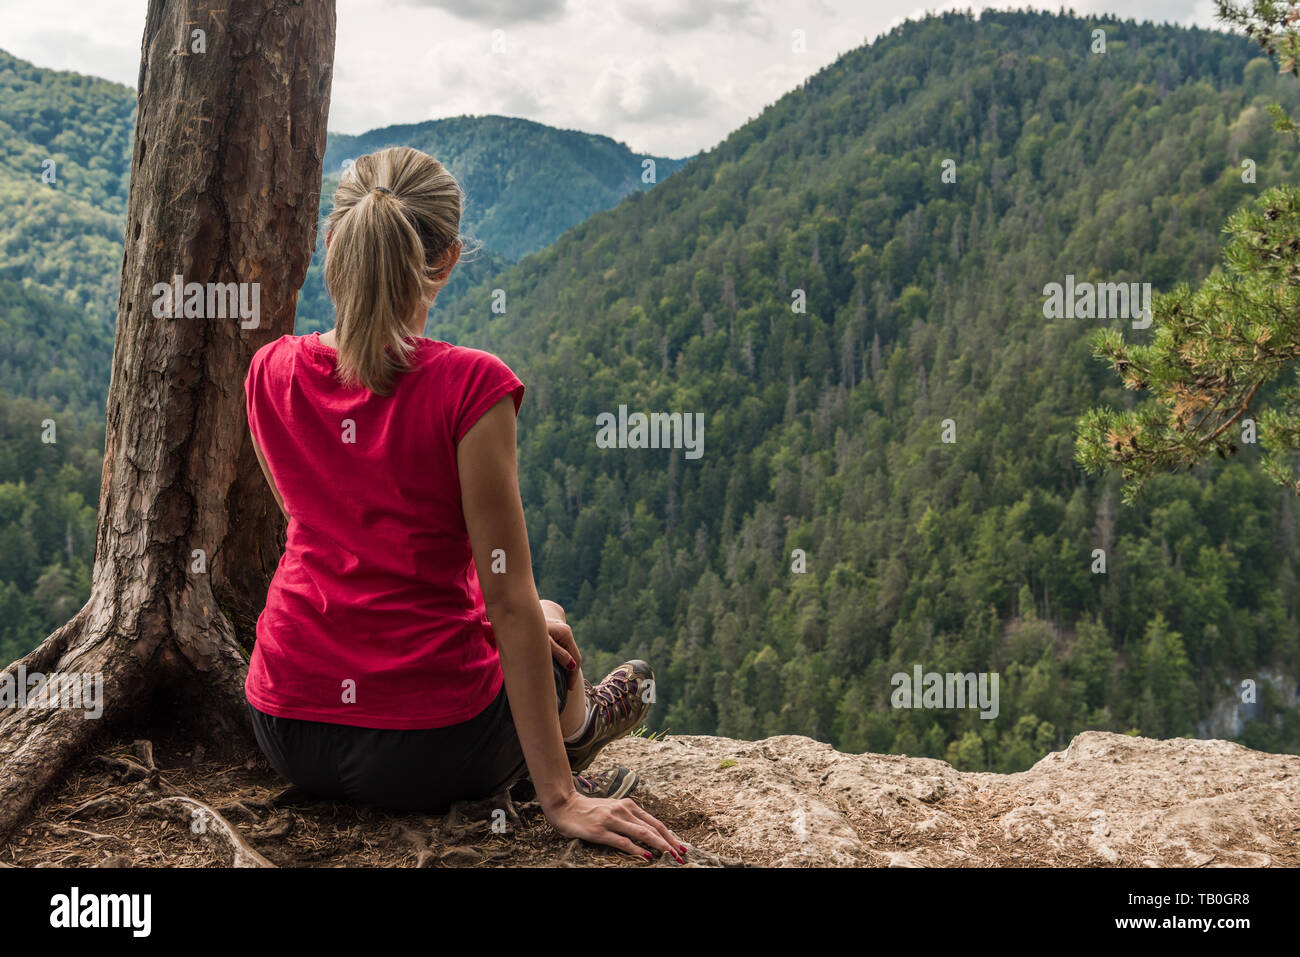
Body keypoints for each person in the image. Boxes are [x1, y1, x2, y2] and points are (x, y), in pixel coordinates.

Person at [242, 146, 684, 863]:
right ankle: (579, 739)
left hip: (287, 724)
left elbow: (310, 524)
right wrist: (560, 801)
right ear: (447, 260)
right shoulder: (470, 387)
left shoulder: (270, 371)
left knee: (532, 620)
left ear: (333, 244)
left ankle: (578, 727)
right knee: (545, 624)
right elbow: (508, 599)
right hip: (431, 746)